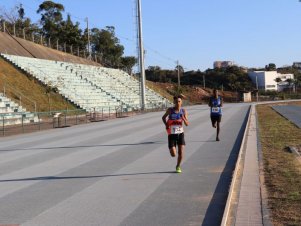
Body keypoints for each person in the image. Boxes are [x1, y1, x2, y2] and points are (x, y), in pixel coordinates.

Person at [162, 95, 189, 173]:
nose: (178, 103)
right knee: (173, 154)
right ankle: (173, 149)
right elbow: (163, 117)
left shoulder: (183, 111)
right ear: (174, 102)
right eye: (176, 101)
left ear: (181, 102)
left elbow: (187, 124)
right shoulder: (170, 110)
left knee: (181, 152)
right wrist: (166, 124)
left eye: (179, 101)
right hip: (172, 134)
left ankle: (178, 166)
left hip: (180, 133)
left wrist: (183, 118)